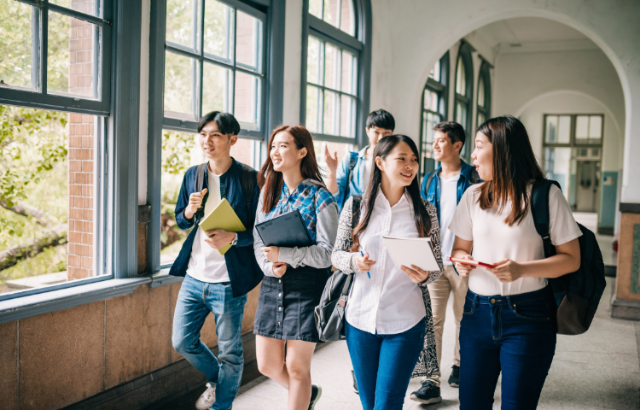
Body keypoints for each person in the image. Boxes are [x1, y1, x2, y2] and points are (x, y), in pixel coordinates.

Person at [449, 116, 582, 410]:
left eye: (479, 146)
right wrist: (463, 262)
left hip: (528, 316)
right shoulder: (472, 196)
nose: (472, 154)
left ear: (502, 151)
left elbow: (571, 259)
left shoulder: (546, 195)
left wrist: (522, 269)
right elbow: (459, 249)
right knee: (471, 404)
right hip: (476, 313)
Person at [331, 134, 443, 410]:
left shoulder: (425, 211)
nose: (410, 166)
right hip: (359, 320)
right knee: (369, 403)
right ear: (380, 162)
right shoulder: (357, 206)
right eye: (402, 159)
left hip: (405, 322)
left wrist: (426, 275)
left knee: (388, 404)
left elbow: (436, 266)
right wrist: (354, 261)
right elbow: (336, 256)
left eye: (414, 160)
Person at [169, 111, 263, 410]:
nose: (206, 141)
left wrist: (233, 238)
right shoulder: (193, 174)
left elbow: (262, 231)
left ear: (232, 139)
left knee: (231, 353)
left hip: (228, 280)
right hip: (195, 276)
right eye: (203, 134)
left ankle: (221, 407)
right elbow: (180, 221)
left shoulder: (250, 179)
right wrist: (188, 211)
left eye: (215, 135)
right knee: (182, 342)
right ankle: (217, 379)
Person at [252, 125, 339, 410]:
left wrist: (285, 254)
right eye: (273, 146)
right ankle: (307, 395)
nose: (275, 152)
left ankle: (300, 395)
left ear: (302, 151)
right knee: (267, 365)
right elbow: (257, 239)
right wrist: (269, 265)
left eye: (283, 146)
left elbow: (328, 254)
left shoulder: (321, 197)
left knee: (298, 368)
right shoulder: (268, 191)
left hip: (307, 287)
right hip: (272, 284)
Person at [410, 122, 481, 405]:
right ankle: (432, 380)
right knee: (432, 322)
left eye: (441, 141)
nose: (435, 146)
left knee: (465, 320)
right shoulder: (428, 180)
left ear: (457, 145)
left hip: (465, 262)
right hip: (435, 263)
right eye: (434, 141)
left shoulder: (475, 178)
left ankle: (461, 365)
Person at [325, 109, 395, 211]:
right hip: (354, 221)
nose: (381, 137)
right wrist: (332, 172)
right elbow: (334, 196)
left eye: (386, 133)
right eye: (376, 132)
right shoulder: (351, 160)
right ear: (367, 131)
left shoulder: (395, 162)